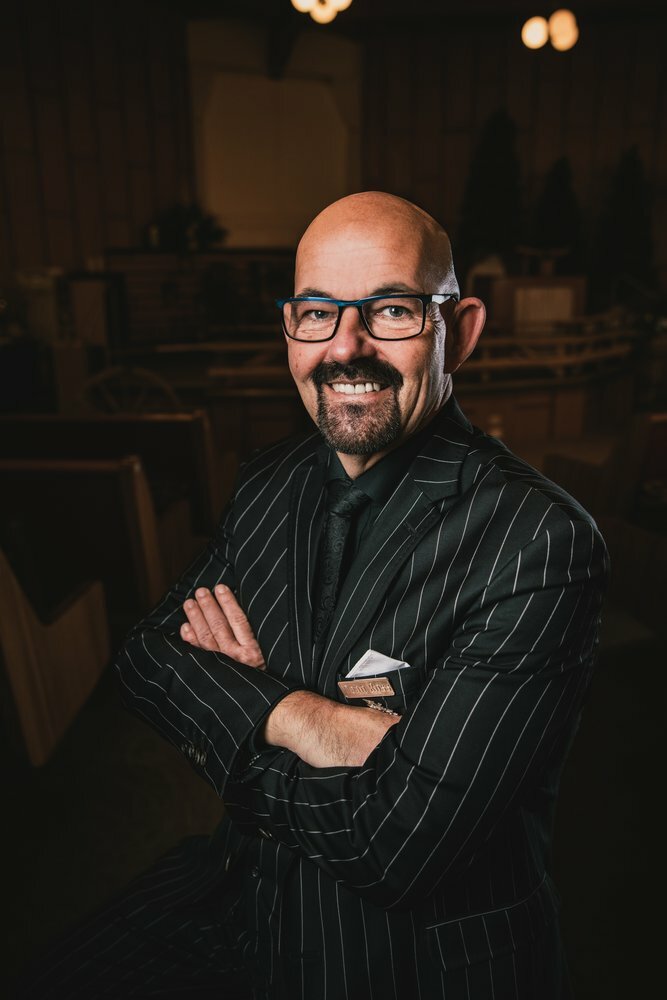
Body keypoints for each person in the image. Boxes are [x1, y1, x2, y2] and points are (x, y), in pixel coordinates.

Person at [18, 192, 607, 999]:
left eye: (391, 310)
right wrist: (299, 716)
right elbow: (148, 658)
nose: (345, 347)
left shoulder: (538, 541)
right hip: (240, 895)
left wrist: (234, 704)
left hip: (411, 959)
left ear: (459, 330)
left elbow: (396, 844)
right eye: (317, 313)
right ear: (290, 329)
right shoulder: (270, 480)